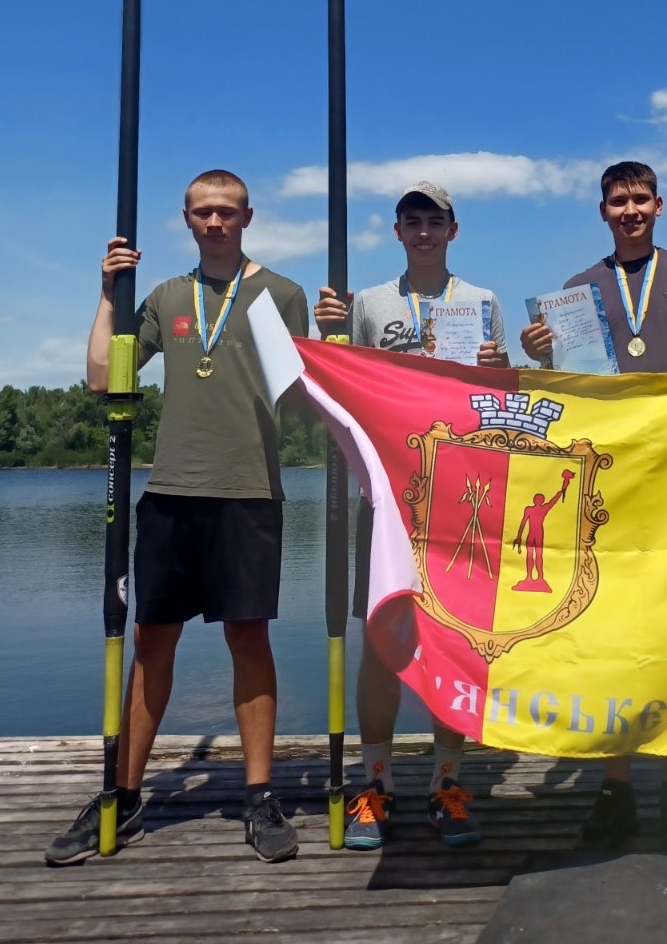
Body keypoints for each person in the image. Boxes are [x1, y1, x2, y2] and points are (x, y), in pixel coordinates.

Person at [46, 171, 310, 866]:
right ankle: (124, 795)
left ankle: (259, 794)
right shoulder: (164, 296)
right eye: (203, 213)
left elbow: (307, 395)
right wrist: (108, 293)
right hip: (171, 495)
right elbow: (106, 377)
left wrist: (333, 339)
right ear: (187, 220)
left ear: (248, 215)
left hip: (249, 493)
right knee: (151, 642)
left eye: (227, 211)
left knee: (248, 640)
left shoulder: (281, 295)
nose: (216, 222)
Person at [519, 159, 667, 851]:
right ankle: (615, 785)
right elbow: (567, 393)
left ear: (660, 204)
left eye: (641, 198)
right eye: (618, 200)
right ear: (603, 210)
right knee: (612, 631)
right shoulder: (577, 289)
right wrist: (539, 353)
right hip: (611, 484)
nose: (630, 209)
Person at [314, 180, 507, 851]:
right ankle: (376, 784)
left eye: (435, 220)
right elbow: (342, 384)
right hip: (388, 498)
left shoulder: (482, 302)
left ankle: (447, 783)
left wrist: (498, 366)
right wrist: (329, 334)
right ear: (397, 231)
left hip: (461, 498)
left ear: (453, 230)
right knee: (383, 641)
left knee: (455, 640)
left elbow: (495, 401)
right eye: (411, 220)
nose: (423, 231)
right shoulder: (367, 302)